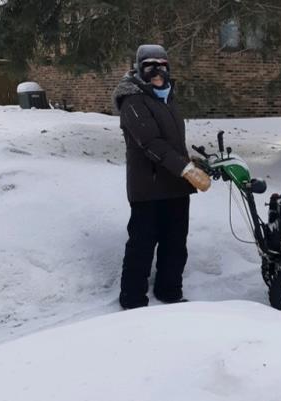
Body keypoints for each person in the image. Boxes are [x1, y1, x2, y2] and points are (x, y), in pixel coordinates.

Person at [111, 44, 211, 309]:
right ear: (139, 69)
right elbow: (151, 143)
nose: (157, 72)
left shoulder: (166, 99)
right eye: (150, 66)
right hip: (149, 187)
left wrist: (195, 163)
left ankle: (170, 292)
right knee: (142, 245)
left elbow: (172, 145)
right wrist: (187, 169)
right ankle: (132, 300)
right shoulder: (132, 101)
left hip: (176, 186)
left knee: (175, 244)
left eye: (162, 66)